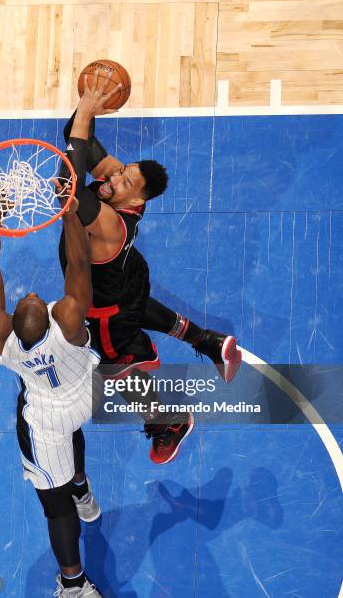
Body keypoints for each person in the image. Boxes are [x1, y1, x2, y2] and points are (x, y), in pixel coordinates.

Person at [58, 72, 241, 466]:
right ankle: (207, 340)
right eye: (120, 171)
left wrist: (87, 114)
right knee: (132, 303)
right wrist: (89, 104)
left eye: (124, 182)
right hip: (125, 278)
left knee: (115, 367)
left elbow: (67, 189)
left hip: (103, 303)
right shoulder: (123, 188)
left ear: (135, 199)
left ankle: (167, 421)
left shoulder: (109, 223)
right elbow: (76, 137)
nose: (113, 178)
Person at [0, 190, 103, 597]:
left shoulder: (2, 337)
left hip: (47, 419)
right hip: (85, 397)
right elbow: (79, 264)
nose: (31, 292)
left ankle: (74, 584)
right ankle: (80, 489)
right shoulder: (67, 321)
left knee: (54, 504)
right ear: (48, 318)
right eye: (33, 299)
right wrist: (70, 216)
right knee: (69, 457)